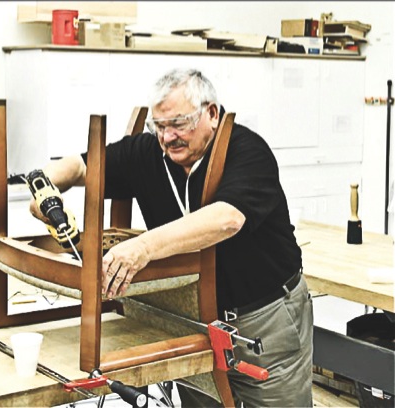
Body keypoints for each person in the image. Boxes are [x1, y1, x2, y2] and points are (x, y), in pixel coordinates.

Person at [30, 68, 313, 407]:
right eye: (159, 126)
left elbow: (226, 218)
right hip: (192, 320)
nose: (167, 138)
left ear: (211, 113)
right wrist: (46, 186)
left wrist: (143, 247)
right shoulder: (149, 153)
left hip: (263, 321)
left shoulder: (247, 150)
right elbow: (81, 166)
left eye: (179, 124)